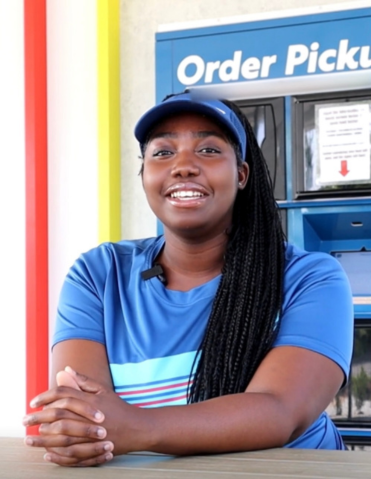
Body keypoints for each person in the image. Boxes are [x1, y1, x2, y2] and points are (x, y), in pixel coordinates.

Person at [23, 92, 354, 467]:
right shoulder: (99, 274)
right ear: (144, 174)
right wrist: (78, 430)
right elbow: (87, 415)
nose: (183, 166)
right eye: (162, 153)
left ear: (241, 174)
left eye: (209, 150)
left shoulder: (308, 277)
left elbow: (280, 411)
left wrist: (138, 426)